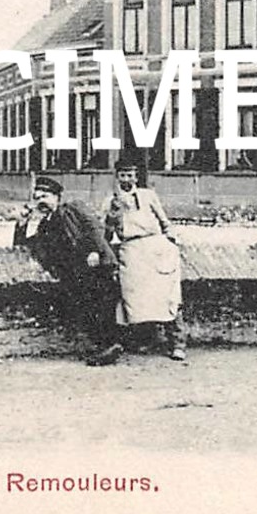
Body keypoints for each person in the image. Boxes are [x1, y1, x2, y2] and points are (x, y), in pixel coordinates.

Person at [13, 176, 121, 365]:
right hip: (74, 275)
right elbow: (25, 247)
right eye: (37, 198)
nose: (41, 201)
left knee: (101, 307)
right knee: (85, 311)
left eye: (45, 196)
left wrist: (95, 251)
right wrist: (22, 224)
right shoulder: (45, 226)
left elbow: (94, 227)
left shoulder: (72, 208)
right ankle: (102, 348)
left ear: (57, 197)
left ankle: (109, 346)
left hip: (93, 267)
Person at [105, 154, 186, 361]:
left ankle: (177, 343)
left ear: (136, 176)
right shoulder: (111, 201)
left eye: (130, 175)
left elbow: (164, 221)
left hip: (155, 247)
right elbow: (105, 233)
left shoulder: (148, 195)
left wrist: (170, 241)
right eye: (122, 175)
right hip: (131, 251)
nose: (126, 180)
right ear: (117, 177)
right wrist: (112, 216)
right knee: (134, 299)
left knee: (167, 296)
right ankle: (144, 340)